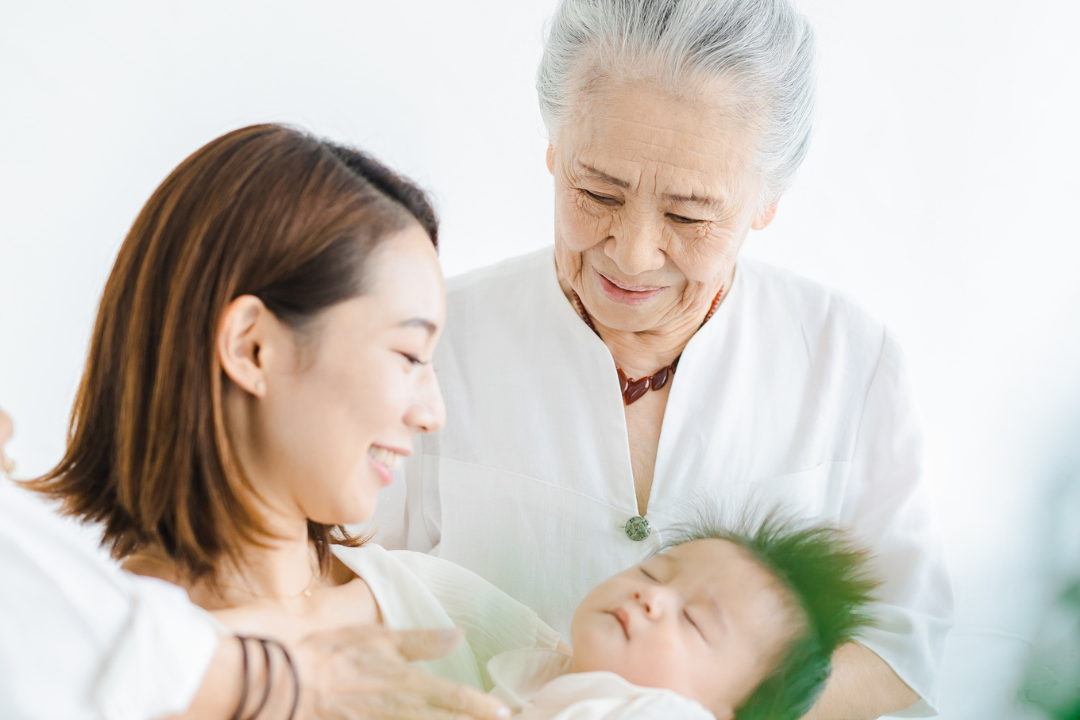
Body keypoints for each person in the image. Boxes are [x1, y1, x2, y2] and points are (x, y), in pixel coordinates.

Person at [369, 0, 953, 717]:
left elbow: (903, 640)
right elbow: (331, 580)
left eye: (688, 215)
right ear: (553, 148)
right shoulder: (428, 340)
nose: (633, 252)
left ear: (765, 201)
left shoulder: (846, 358)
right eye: (596, 191)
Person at [16, 125, 515, 719]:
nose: (432, 414)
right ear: (252, 348)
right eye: (408, 356)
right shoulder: (90, 677)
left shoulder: (447, 610)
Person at [488, 517, 878, 720]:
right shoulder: (543, 674)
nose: (652, 595)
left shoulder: (658, 713)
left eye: (693, 620)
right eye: (652, 573)